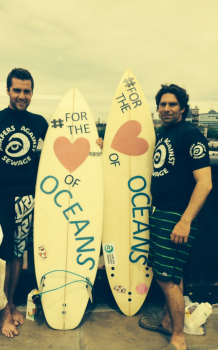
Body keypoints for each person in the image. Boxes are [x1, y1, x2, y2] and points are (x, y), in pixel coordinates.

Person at [0, 68, 103, 338]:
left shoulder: (39, 122)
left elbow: (65, 146)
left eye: (27, 91)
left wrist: (95, 146)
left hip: (28, 199)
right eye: (17, 90)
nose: (22, 96)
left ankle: (9, 303)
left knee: (17, 255)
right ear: (8, 90)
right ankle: (3, 314)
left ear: (32, 92)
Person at [139, 84, 212, 350]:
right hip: (161, 213)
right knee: (174, 273)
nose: (166, 109)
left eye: (172, 105)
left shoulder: (190, 134)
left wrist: (185, 220)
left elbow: (204, 183)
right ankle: (169, 321)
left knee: (164, 278)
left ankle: (178, 339)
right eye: (162, 104)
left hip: (176, 216)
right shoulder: (166, 132)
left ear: (182, 108)